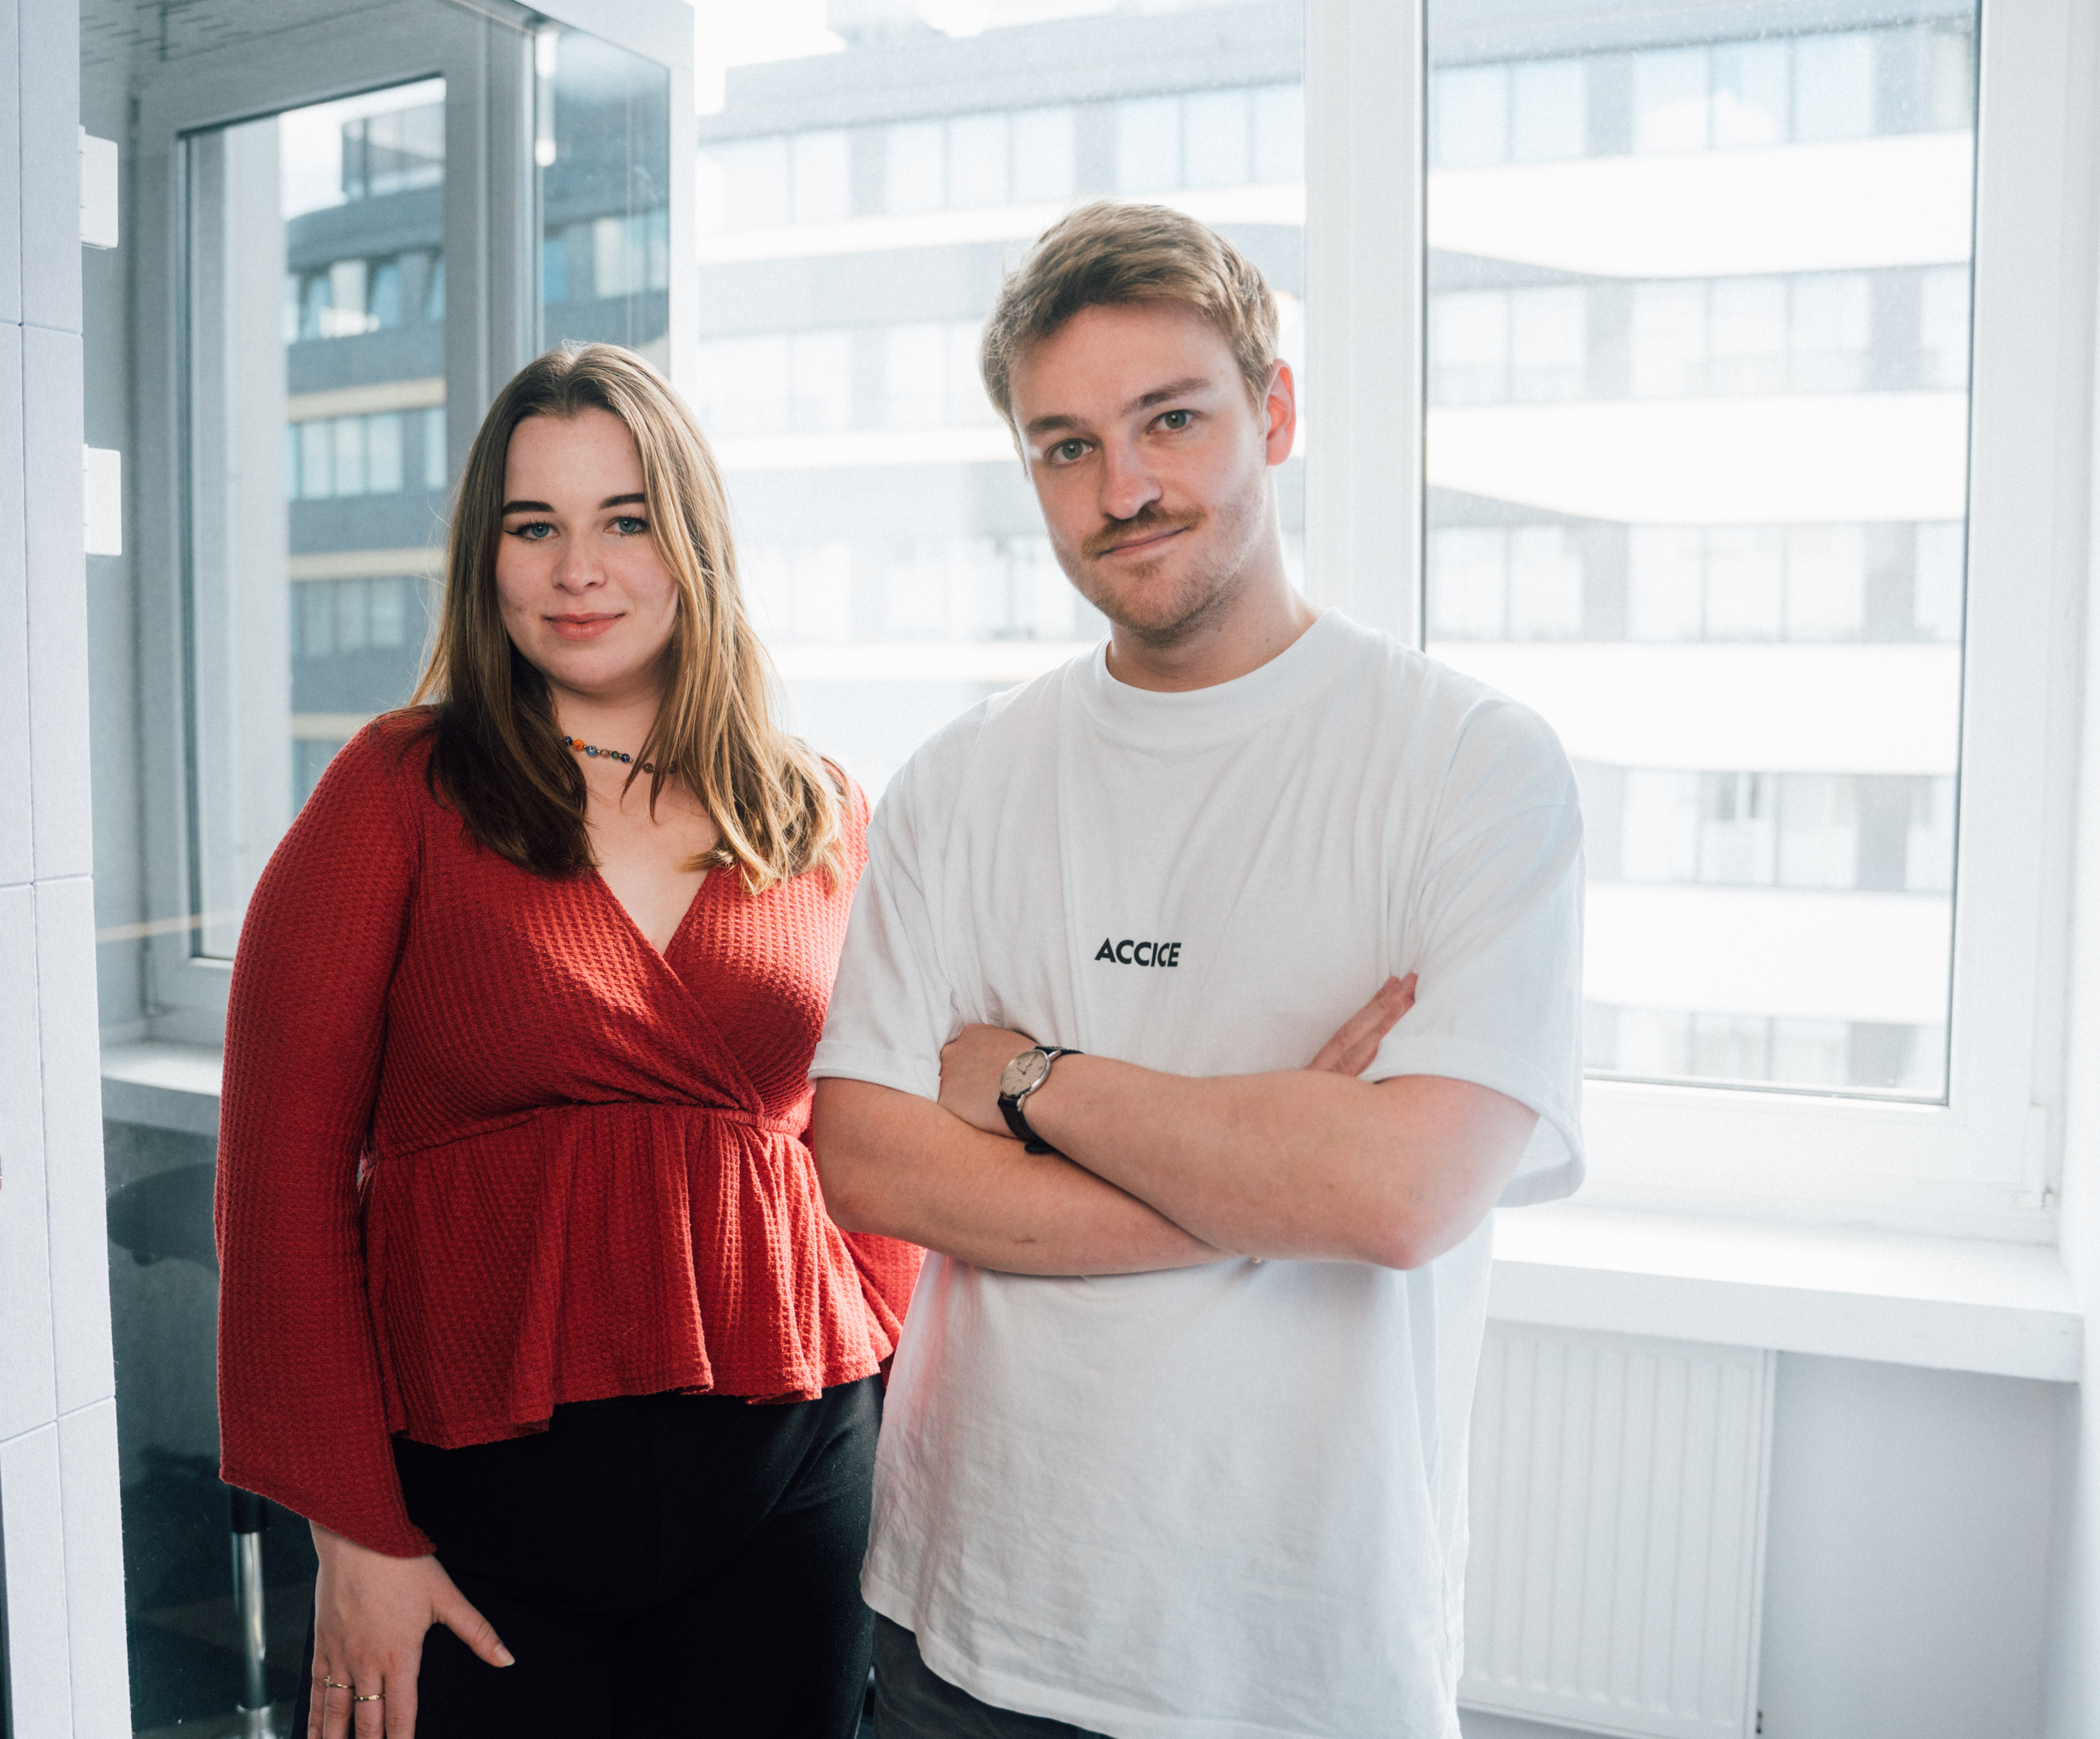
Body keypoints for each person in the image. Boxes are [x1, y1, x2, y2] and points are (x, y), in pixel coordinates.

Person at [810, 200, 1585, 1739]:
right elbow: (866, 1162)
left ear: (1273, 411)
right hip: (973, 1624)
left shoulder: (1468, 765)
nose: (1125, 487)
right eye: (1064, 447)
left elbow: (1396, 1197)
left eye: (1172, 419)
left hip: (1299, 1655)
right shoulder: (962, 779)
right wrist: (1266, 1159)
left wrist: (1029, 1082)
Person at [214, 342, 923, 1739]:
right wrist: (352, 1533)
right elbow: (280, 1186)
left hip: (794, 1479)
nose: (575, 569)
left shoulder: (816, 806)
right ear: (487, 560)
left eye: (626, 520)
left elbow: (876, 1128)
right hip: (474, 1506)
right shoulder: (396, 789)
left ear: (693, 544)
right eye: (532, 527)